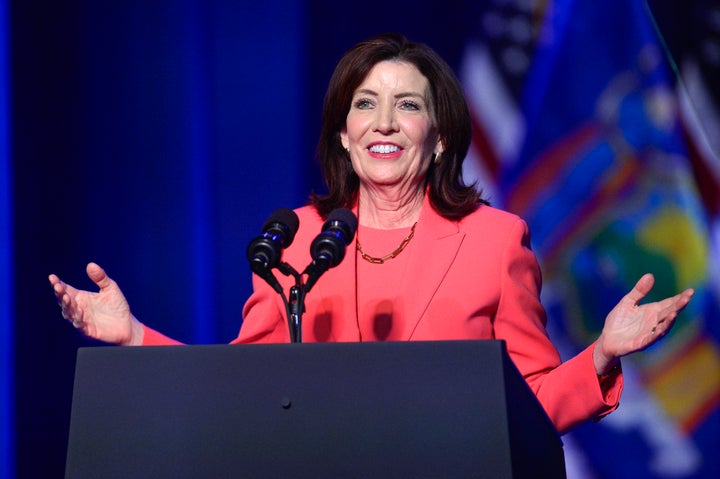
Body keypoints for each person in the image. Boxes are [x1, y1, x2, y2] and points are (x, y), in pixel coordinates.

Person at [49, 33, 694, 434]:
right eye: (364, 103)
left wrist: (603, 352)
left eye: (407, 105)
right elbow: (239, 390)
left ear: (439, 138)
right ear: (343, 134)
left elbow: (528, 408)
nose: (383, 122)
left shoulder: (495, 241)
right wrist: (133, 336)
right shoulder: (296, 242)